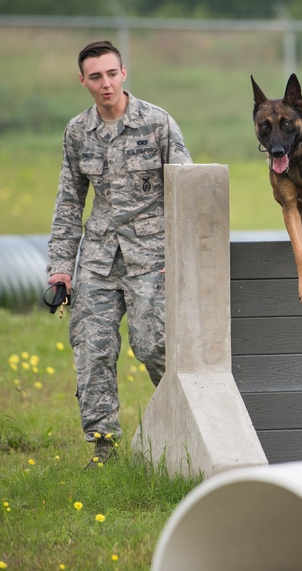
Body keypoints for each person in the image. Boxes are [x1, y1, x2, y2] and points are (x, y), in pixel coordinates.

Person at [46, 40, 191, 467]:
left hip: (152, 257)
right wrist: (60, 269)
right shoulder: (78, 132)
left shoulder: (158, 123)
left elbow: (188, 193)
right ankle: (103, 448)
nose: (105, 83)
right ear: (83, 81)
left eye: (111, 74)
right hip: (99, 258)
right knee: (92, 349)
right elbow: (69, 202)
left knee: (154, 346)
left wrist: (179, 260)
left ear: (124, 73)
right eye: (95, 77)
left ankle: (189, 427)